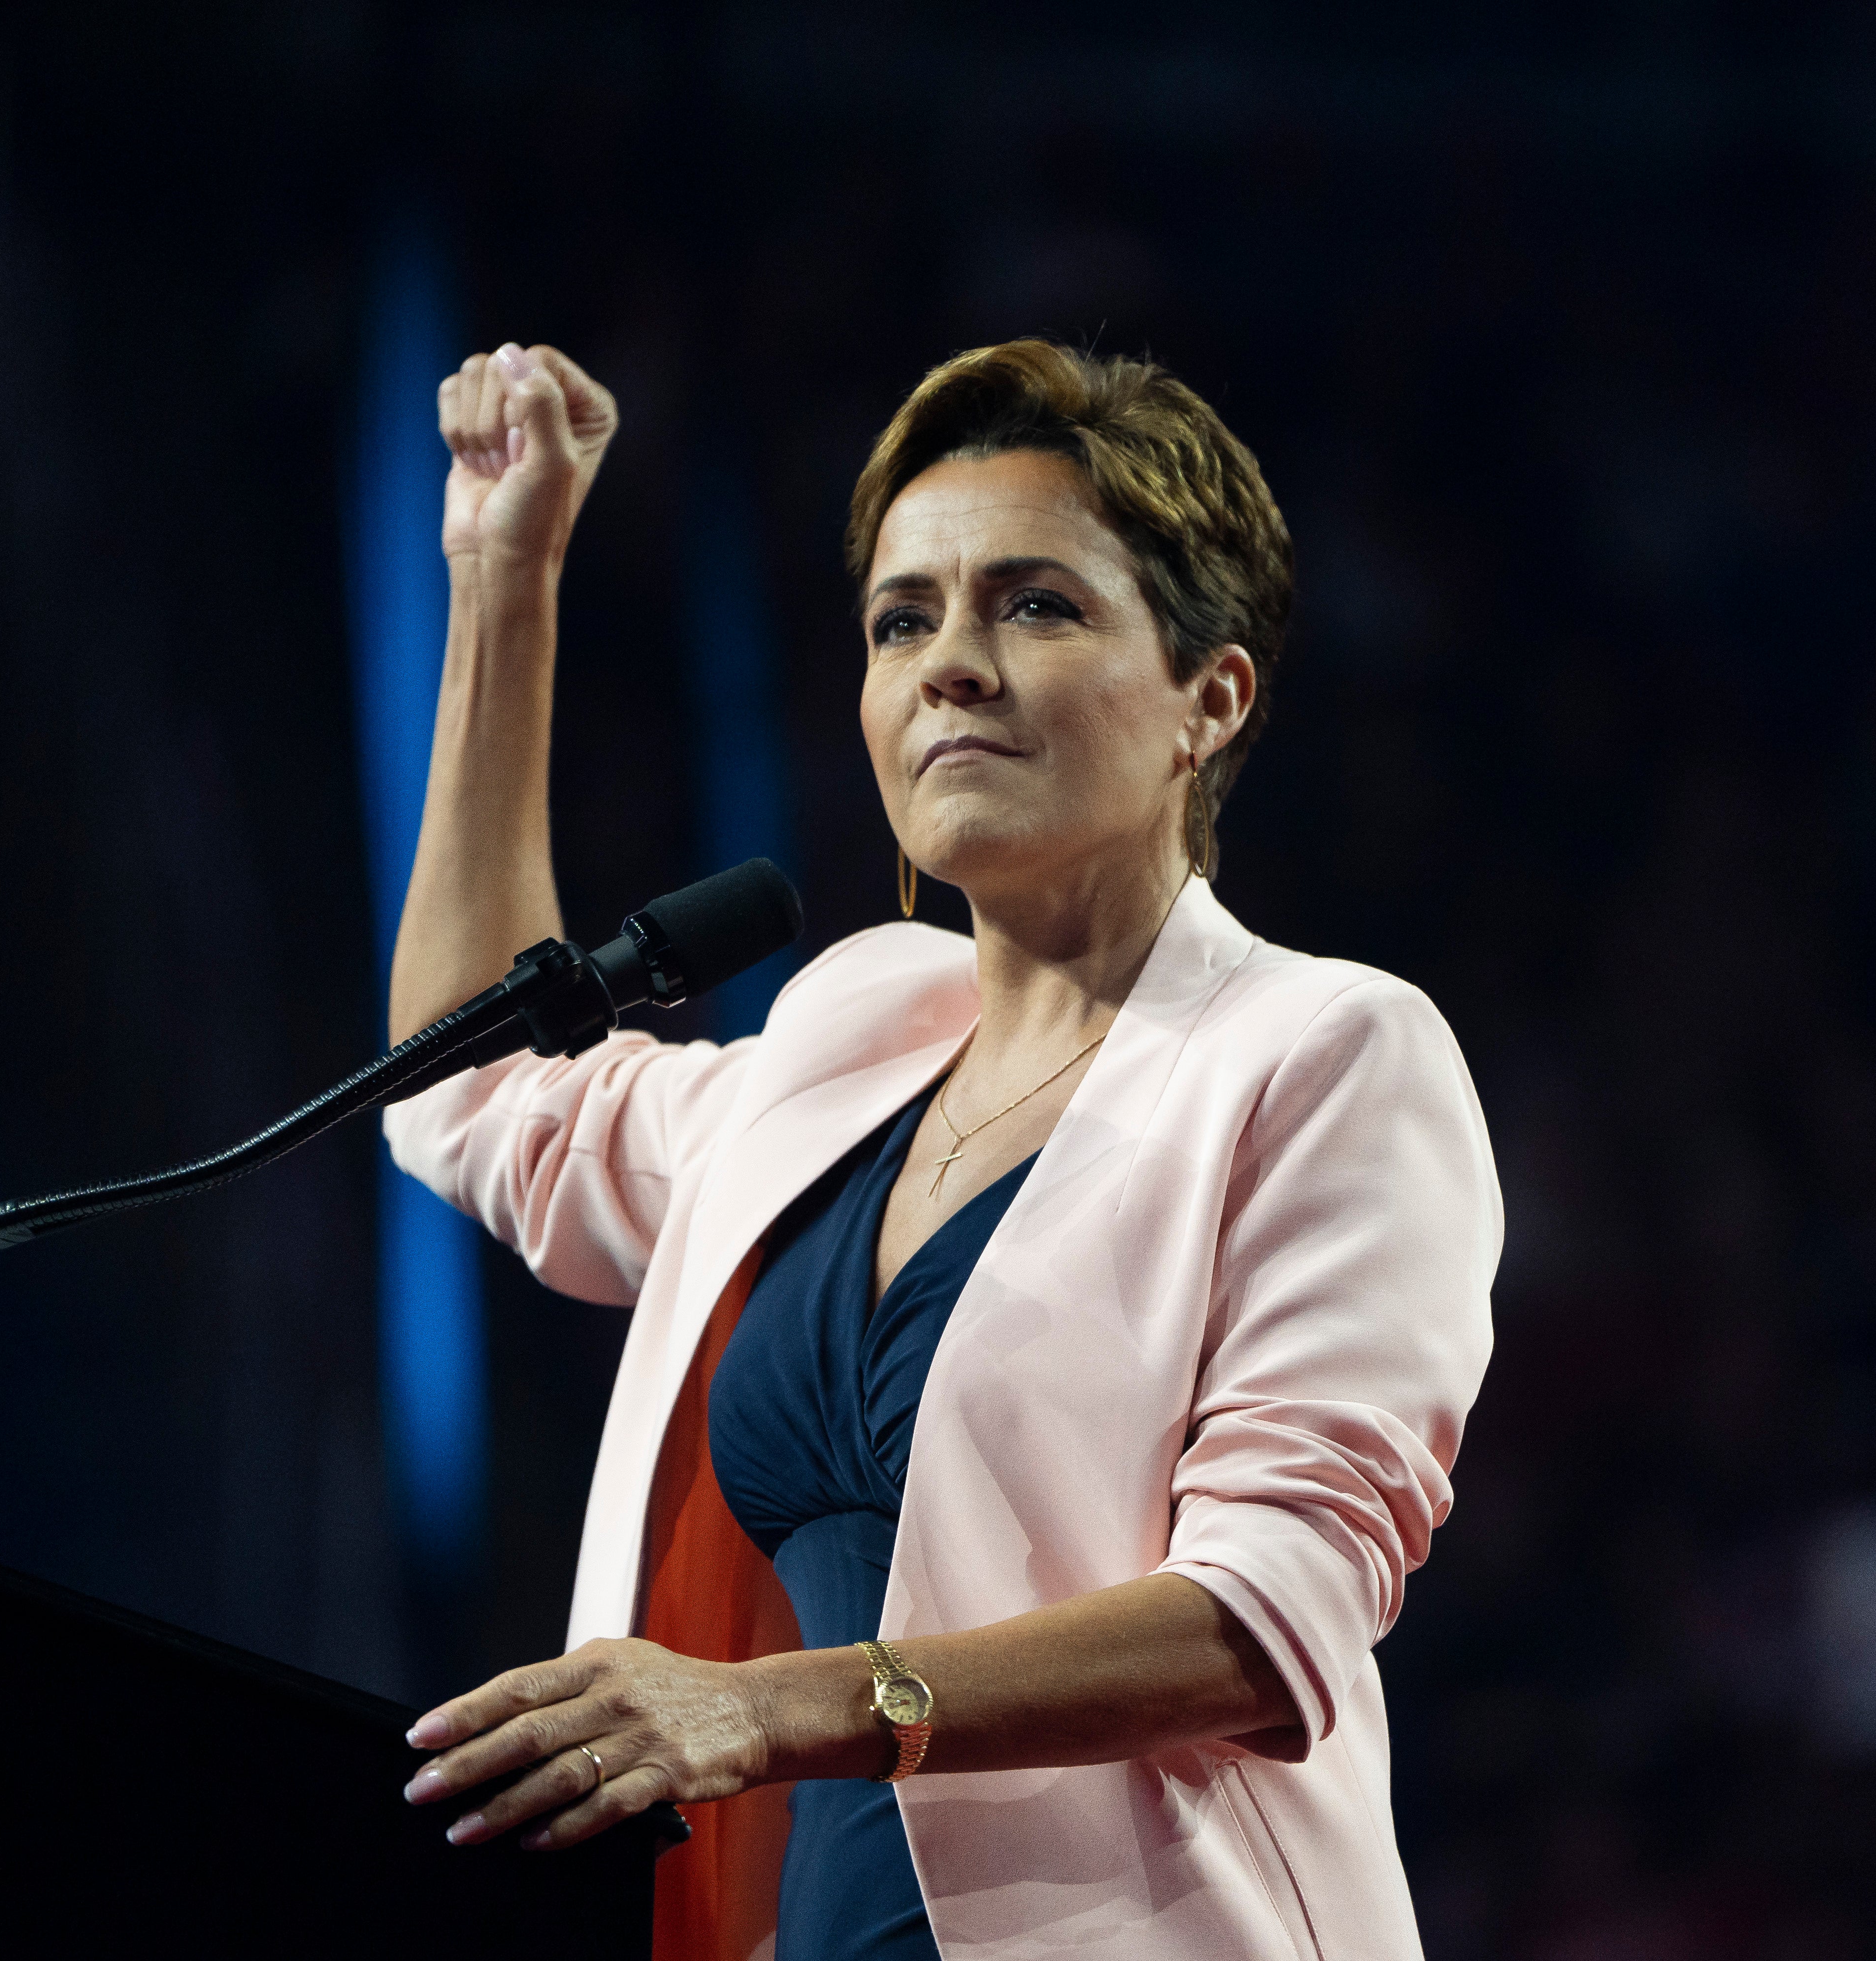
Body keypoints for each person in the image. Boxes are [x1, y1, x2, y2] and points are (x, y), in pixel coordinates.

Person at [383, 336, 1502, 1961]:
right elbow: (473, 1093)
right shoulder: (849, 1045)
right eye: (904, 618)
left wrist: (768, 1707)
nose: (949, 664)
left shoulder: (1324, 1052)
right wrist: (505, 572)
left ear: (1212, 694)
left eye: (1036, 604)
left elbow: (1269, 1620)